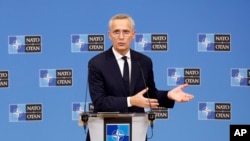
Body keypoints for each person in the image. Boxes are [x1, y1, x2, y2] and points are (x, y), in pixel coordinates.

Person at [86, 13, 194, 141]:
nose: (121, 37)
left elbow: (149, 95)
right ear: (109, 35)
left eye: (126, 32)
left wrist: (168, 95)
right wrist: (130, 101)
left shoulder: (144, 62)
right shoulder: (97, 63)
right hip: (105, 131)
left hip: (135, 132)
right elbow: (100, 102)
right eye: (116, 32)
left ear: (133, 34)